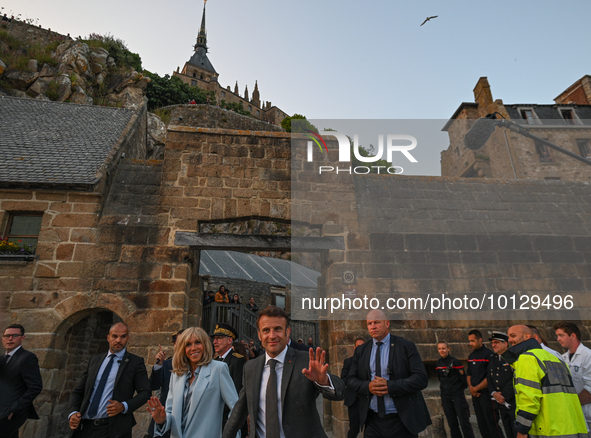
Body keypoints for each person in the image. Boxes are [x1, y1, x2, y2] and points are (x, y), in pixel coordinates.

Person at [222, 305, 345, 438]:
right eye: (266, 330)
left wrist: (324, 381)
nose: (272, 335)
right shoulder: (250, 367)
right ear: (259, 335)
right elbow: (239, 410)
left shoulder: (305, 360)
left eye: (277, 329)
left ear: (287, 332)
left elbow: (340, 392)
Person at [347, 310, 431, 438]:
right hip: (372, 421)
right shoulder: (361, 351)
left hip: (402, 420)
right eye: (369, 323)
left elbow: (421, 379)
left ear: (387, 323)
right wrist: (368, 387)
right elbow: (351, 380)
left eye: (377, 322)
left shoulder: (406, 346)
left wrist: (391, 386)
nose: (373, 326)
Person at [147, 327, 239, 438]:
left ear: (205, 344)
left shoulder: (218, 369)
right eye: (188, 344)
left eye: (197, 342)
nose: (193, 348)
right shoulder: (177, 374)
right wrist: (162, 420)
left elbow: (236, 408)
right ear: (183, 348)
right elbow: (170, 413)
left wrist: (230, 435)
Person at [69, 322, 151, 438]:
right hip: (84, 427)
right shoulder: (95, 361)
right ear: (108, 337)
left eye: (123, 336)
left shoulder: (135, 362)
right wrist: (73, 412)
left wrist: (123, 406)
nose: (118, 340)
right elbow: (79, 391)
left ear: (128, 338)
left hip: (111, 429)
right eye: (114, 336)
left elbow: (145, 392)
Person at [505, 325, 587, 438]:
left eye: (513, 336)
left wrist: (522, 430)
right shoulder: (556, 358)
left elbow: (529, 399)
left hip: (549, 429)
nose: (509, 340)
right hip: (574, 427)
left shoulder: (527, 358)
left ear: (527, 336)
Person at [0, 324, 43, 438]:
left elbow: (35, 386)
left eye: (15, 335)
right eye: (7, 336)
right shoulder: (2, 359)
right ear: (3, 338)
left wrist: (15, 409)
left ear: (22, 337)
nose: (10, 339)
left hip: (12, 413)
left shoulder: (27, 358)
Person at [467, 329, 504, 438]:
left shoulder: (489, 355)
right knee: (482, 425)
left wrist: (476, 388)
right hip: (476, 396)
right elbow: (468, 373)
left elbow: (490, 376)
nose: (471, 344)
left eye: (473, 341)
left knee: (492, 425)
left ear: (480, 340)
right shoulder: (471, 356)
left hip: (487, 396)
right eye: (469, 341)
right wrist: (471, 389)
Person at [147, 329, 185, 438]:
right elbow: (154, 385)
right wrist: (159, 364)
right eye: (178, 343)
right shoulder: (167, 364)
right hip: (166, 417)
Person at [212, 323, 247, 437]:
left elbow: (237, 393)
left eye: (219, 338)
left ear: (229, 340)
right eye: (214, 339)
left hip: (229, 418)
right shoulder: (215, 360)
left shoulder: (237, 361)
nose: (215, 342)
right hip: (215, 417)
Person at [554, 321, 591, 429]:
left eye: (561, 335)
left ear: (573, 336)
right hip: (573, 415)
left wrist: (570, 405)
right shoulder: (562, 358)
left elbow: (590, 389)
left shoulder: (588, 356)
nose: (558, 339)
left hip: (587, 414)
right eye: (557, 336)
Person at [435, 341, 474, 438]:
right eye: (439, 348)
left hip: (457, 395)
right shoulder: (438, 363)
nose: (442, 351)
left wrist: (458, 390)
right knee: (452, 423)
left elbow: (463, 378)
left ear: (448, 349)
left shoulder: (455, 362)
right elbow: (440, 379)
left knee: (464, 421)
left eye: (444, 348)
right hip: (445, 396)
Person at [487, 332, 516, 438]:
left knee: (516, 430)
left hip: (512, 400)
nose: (493, 345)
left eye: (496, 342)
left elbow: (515, 377)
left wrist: (504, 395)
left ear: (506, 343)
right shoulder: (492, 358)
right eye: (493, 343)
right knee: (508, 430)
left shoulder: (512, 357)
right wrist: (494, 393)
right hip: (500, 402)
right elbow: (489, 378)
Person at [341, 337, 366, 438]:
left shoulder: (370, 361)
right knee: (354, 429)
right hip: (354, 401)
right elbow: (343, 379)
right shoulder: (348, 362)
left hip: (367, 399)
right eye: (358, 346)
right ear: (355, 348)